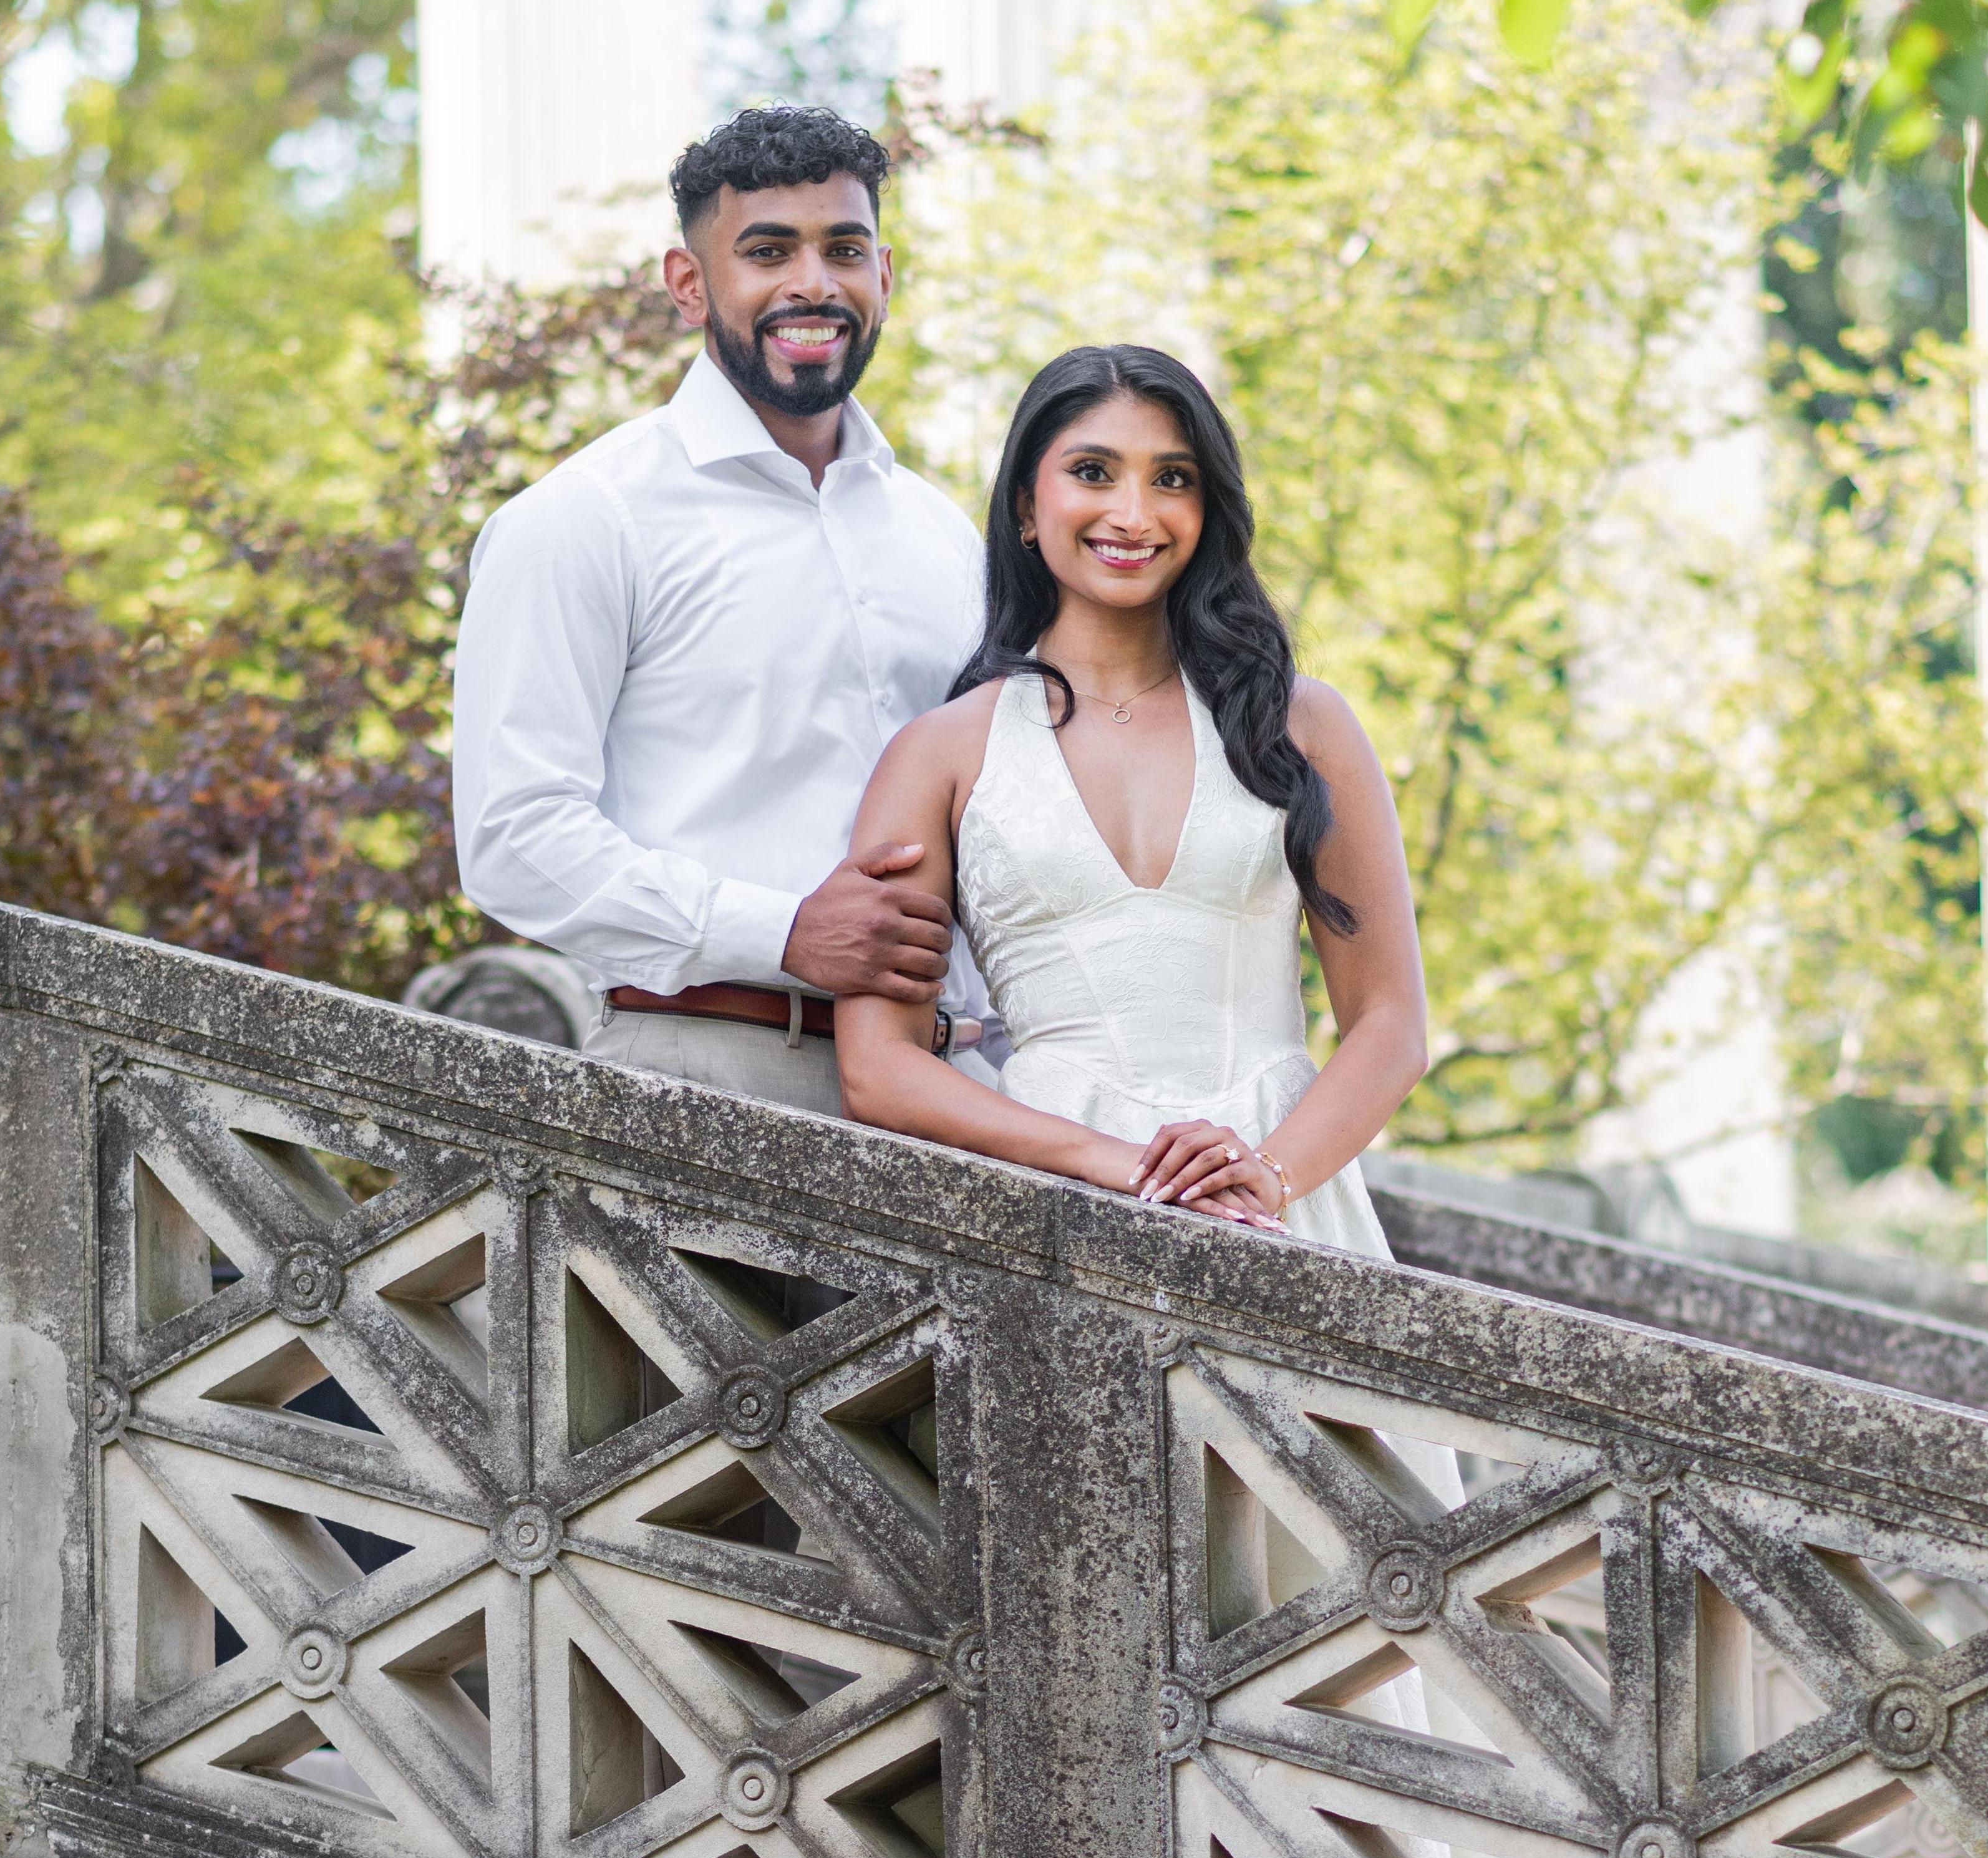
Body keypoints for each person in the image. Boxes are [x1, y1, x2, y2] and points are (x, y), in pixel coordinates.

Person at [834, 342, 1437, 1269]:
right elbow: (878, 1068)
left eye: (1171, 479)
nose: (1134, 513)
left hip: (1281, 1198)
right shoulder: (939, 754)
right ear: (1026, 507)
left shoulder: (1299, 725)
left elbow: (1391, 1022)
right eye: (1092, 472)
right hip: (1049, 1196)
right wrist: (1117, 1165)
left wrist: (1267, 1176)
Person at [451, 105, 996, 1116]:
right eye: (767, 251)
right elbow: (513, 835)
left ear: (884, 274)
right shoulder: (584, 519)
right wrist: (783, 932)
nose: (813, 283)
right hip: (709, 1070)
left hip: (954, 1086)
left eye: (843, 249)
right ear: (689, 283)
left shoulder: (946, 538)